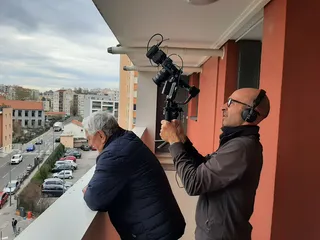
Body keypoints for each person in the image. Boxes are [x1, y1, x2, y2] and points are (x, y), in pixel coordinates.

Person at [160, 88, 270, 240]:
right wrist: (183, 141)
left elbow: (193, 183)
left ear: (248, 113)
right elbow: (205, 168)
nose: (223, 106)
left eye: (231, 103)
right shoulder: (237, 142)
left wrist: (174, 141)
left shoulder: (241, 147)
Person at [82, 111, 186, 240]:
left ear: (101, 135)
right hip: (161, 223)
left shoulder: (114, 154)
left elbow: (95, 199)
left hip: (152, 233)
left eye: (89, 139)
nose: (90, 145)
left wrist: (88, 190)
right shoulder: (127, 140)